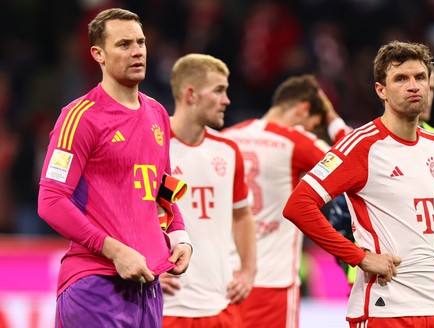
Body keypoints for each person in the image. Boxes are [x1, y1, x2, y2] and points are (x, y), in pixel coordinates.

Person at [283, 41, 434, 327]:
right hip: (385, 308)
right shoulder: (362, 145)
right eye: (401, 78)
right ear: (381, 90)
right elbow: (298, 205)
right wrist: (359, 257)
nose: (414, 86)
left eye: (420, 77)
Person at [37, 8, 192, 328]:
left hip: (147, 286)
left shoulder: (158, 113)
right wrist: (115, 251)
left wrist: (179, 235)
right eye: (123, 44)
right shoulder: (79, 116)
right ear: (98, 54)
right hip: (94, 286)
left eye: (141, 42)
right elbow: (50, 201)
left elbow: (163, 186)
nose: (137, 51)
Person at [222, 74, 351, 328]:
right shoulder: (295, 142)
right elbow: (352, 159)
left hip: (223, 278)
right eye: (313, 124)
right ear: (303, 109)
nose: (309, 130)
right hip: (273, 283)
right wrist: (332, 118)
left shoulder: (227, 137)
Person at [160, 53, 257, 328]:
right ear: (190, 94)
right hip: (169, 306)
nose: (226, 100)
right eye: (218, 90)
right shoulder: (152, 144)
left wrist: (248, 272)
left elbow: (242, 215)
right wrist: (149, 268)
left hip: (221, 304)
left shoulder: (228, 150)